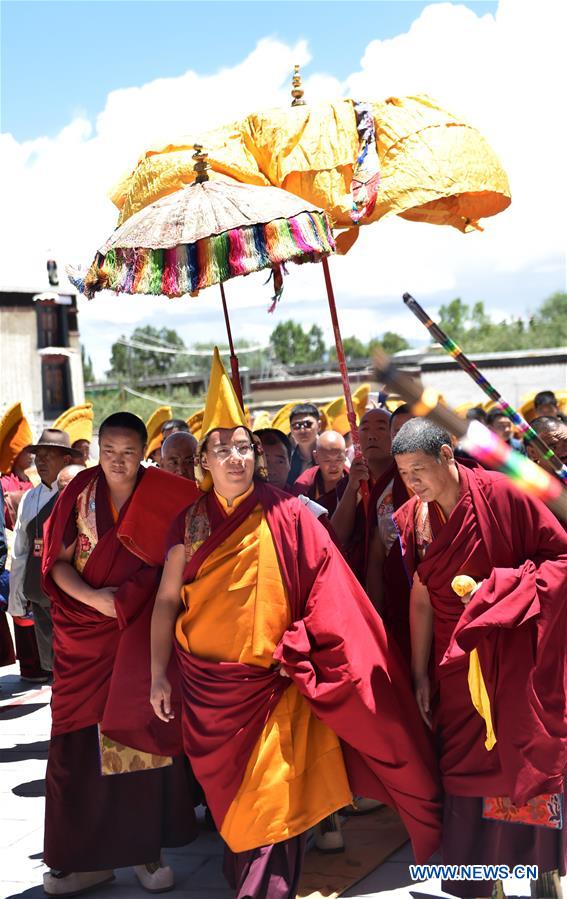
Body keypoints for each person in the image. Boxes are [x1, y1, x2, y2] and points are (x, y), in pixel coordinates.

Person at [150, 349, 442, 899]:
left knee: (273, 812)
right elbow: (167, 602)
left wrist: (305, 643)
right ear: (203, 463)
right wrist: (157, 673)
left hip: (273, 684)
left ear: (255, 456)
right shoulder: (188, 523)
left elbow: (328, 586)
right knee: (238, 814)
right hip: (212, 691)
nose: (234, 458)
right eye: (221, 450)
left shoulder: (285, 511)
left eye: (243, 447)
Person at [392, 418, 567, 899]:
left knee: (525, 761)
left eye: (421, 470)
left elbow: (560, 561)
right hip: (456, 663)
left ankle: (542, 871)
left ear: (449, 456)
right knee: (468, 771)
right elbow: (422, 596)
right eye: (405, 473)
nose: (414, 483)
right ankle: (483, 883)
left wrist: (503, 592)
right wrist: (419, 672)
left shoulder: (504, 495)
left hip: (513, 656)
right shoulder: (414, 518)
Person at [41, 412, 200, 896]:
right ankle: (81, 859)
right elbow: (56, 565)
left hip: (139, 633)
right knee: (75, 747)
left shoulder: (163, 495)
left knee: (137, 737)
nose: (117, 461)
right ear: (96, 449)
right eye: (108, 451)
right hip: (85, 634)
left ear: (144, 451)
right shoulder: (80, 492)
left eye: (128, 452)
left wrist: (130, 602)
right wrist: (97, 600)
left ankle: (144, 854)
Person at [8, 429, 83, 680]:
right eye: (38, 455)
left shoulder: (78, 492)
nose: (40, 461)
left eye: (48, 455)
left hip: (72, 595)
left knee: (76, 662)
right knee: (52, 664)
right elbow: (20, 551)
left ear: (66, 460)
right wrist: (16, 598)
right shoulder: (30, 498)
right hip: (39, 594)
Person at [365, 405, 414, 658]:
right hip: (401, 606)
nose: (406, 439)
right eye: (398, 433)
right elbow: (375, 560)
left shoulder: (456, 479)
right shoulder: (385, 489)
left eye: (413, 429)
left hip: (452, 605)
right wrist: (376, 619)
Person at [331, 408, 393, 583]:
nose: (371, 436)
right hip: (361, 579)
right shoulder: (350, 483)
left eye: (381, 428)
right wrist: (352, 487)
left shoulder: (406, 479)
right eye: (364, 429)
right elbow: (337, 536)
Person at [292, 430, 349, 515]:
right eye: (327, 460)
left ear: (346, 454)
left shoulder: (353, 480)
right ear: (316, 457)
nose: (333, 466)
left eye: (338, 459)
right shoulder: (305, 484)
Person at [286, 403, 321, 486]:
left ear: (319, 425)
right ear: (291, 429)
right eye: (296, 426)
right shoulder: (287, 459)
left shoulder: (332, 450)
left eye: (307, 424)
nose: (302, 430)